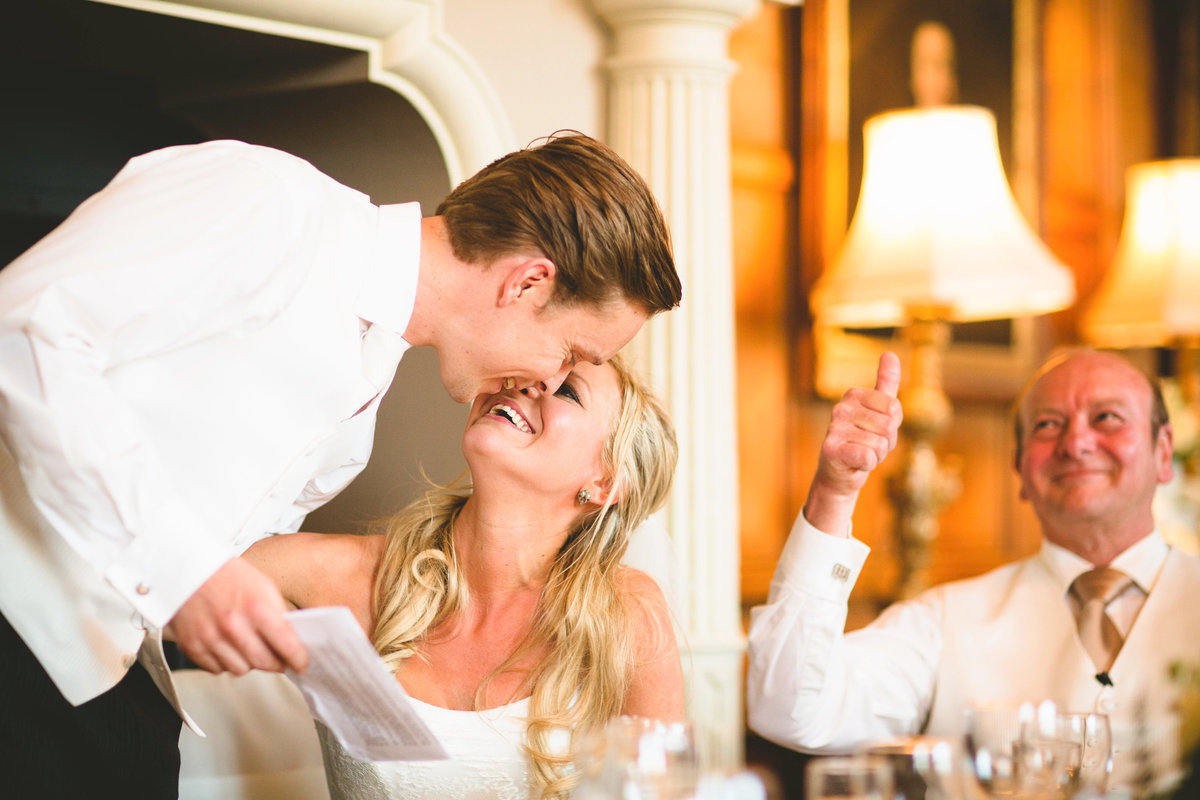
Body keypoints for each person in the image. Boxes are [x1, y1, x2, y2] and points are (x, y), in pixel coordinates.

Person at [0, 133, 681, 797]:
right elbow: (21, 327)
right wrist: (187, 574)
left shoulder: (363, 394)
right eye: (569, 352)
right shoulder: (270, 203)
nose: (546, 374)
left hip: (110, 694)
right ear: (527, 282)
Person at [746, 348, 1200, 794]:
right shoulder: (942, 620)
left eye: (1107, 418)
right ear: (1019, 468)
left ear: (1163, 453)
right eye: (1047, 425)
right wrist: (835, 491)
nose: (1076, 444)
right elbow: (787, 708)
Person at [245, 354, 684, 799]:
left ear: (606, 481)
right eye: (528, 373)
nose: (527, 385)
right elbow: (187, 581)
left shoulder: (627, 613)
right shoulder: (345, 577)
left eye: (567, 390)